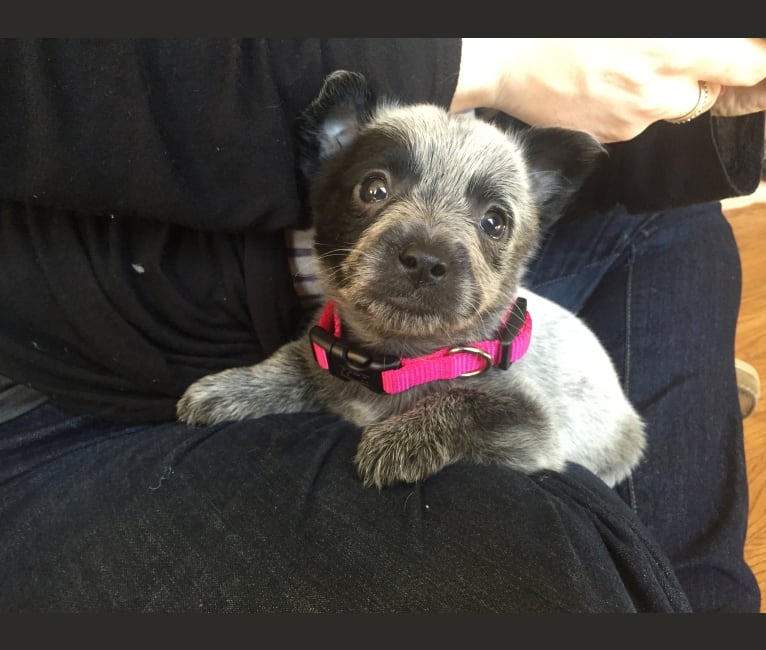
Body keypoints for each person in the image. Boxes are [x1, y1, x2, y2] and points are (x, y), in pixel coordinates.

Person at [0, 38, 765, 613]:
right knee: (528, 547)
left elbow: (552, 145)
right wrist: (493, 57)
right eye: (376, 188)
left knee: (678, 227)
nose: (431, 250)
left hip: (414, 339)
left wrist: (711, 90)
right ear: (332, 154)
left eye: (493, 222)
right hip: (63, 383)